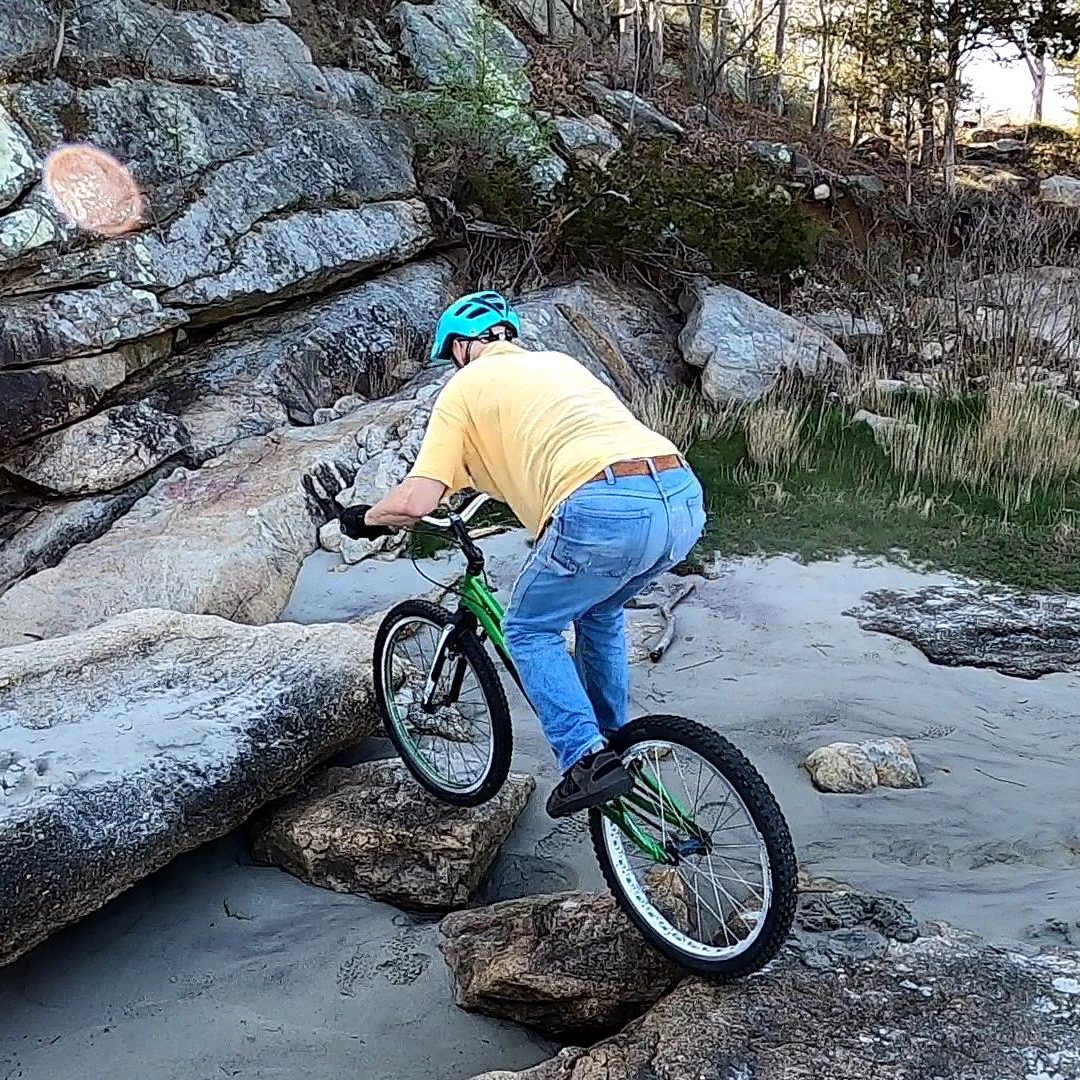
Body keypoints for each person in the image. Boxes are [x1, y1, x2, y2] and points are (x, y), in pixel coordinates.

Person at [340, 291, 707, 818]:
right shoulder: (558, 364)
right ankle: (617, 743)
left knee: (528, 630)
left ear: (462, 348)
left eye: (451, 355)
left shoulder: (464, 386)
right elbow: (543, 448)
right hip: (679, 495)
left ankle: (586, 760)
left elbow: (419, 498)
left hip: (601, 505)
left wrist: (366, 519)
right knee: (599, 611)